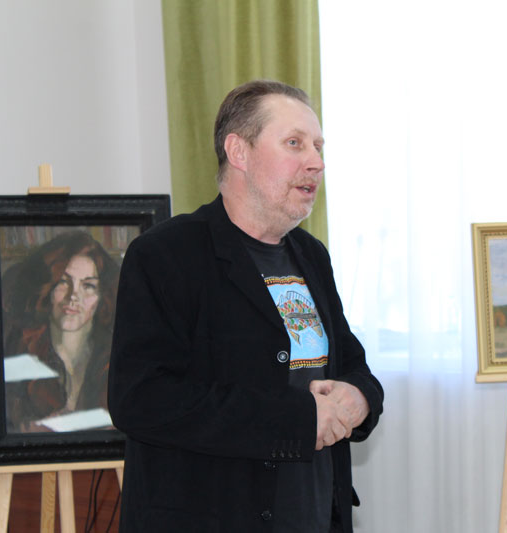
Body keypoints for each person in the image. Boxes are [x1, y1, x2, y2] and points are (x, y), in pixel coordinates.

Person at [108, 80, 384, 532]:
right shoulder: (166, 254)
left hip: (313, 516)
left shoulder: (311, 255)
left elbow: (352, 364)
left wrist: (360, 398)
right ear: (239, 151)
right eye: (294, 143)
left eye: (318, 147)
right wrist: (297, 420)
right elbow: (141, 398)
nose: (316, 162)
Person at [1, 230, 120, 432]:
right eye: (64, 282)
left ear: (102, 296)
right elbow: (11, 424)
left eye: (88, 286)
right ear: (47, 288)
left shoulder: (114, 354)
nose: (74, 296)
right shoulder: (21, 349)